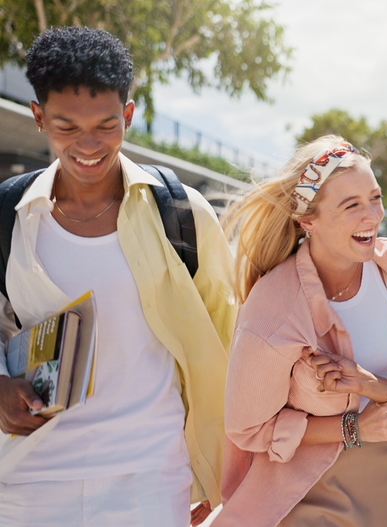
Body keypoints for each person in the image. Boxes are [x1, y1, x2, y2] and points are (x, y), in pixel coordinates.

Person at [0, 27, 237, 526]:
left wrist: (213, 468)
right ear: (38, 116)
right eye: (66, 126)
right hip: (29, 481)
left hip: (150, 478)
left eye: (107, 125)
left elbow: (227, 338)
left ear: (128, 115)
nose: (89, 145)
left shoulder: (183, 214)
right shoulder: (9, 216)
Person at [215, 136, 387, 527]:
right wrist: (352, 428)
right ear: (308, 221)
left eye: (375, 198)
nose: (372, 215)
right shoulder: (274, 306)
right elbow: (248, 429)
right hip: (307, 492)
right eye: (351, 205)